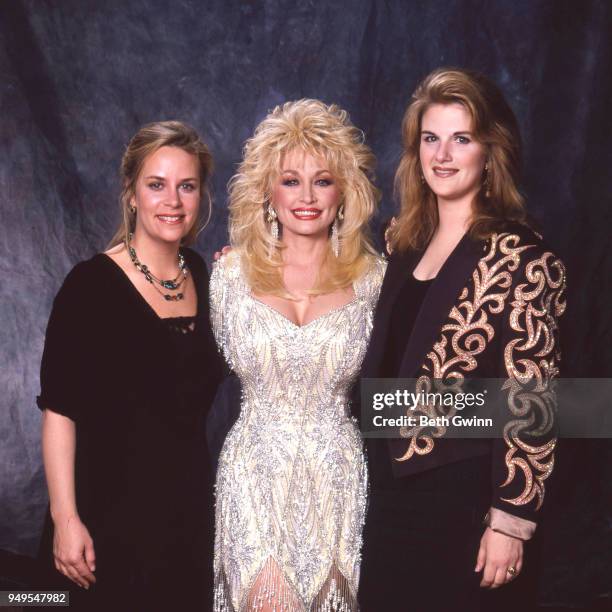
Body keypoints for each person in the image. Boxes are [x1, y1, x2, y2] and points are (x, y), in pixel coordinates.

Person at [357, 68, 566, 611]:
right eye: (431, 138)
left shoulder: (523, 257)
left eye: (461, 138)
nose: (443, 155)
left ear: (489, 151)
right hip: (389, 493)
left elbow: (536, 399)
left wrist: (511, 521)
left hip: (466, 500)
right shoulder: (402, 244)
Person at [37, 121, 225, 610]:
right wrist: (66, 519)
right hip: (104, 519)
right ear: (132, 194)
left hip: (185, 517)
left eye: (187, 186)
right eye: (156, 185)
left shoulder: (206, 275)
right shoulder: (90, 286)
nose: (173, 201)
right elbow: (59, 411)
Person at [209, 99, 386, 611]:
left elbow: (404, 384)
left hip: (337, 477)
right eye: (290, 180)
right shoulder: (227, 277)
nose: (306, 197)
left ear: (344, 192)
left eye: (322, 181)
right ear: (268, 191)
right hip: (253, 477)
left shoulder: (376, 281)